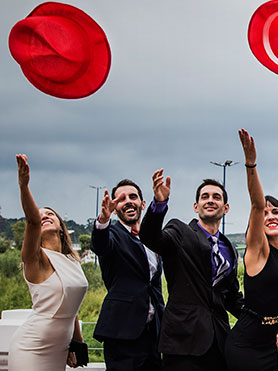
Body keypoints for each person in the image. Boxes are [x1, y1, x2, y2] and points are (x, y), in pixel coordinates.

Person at [139, 169, 243, 371]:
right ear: (196, 206)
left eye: (216, 197)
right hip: (183, 342)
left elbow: (231, 298)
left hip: (219, 343)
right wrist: (159, 204)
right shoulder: (180, 232)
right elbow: (150, 237)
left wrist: (267, 320)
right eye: (205, 197)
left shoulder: (230, 249)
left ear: (226, 207)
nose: (210, 200)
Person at [8, 154, 89, 370]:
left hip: (59, 349)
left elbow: (72, 307)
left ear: (61, 226)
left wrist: (77, 342)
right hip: (31, 349)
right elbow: (33, 220)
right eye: (41, 214)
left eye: (50, 213)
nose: (44, 216)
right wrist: (24, 186)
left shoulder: (71, 260)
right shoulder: (35, 259)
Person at [225, 129, 278, 371]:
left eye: (275, 211)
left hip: (268, 347)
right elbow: (256, 204)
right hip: (244, 346)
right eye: (266, 213)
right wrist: (250, 164)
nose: (270, 215)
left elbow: (274, 298)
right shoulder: (258, 250)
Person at [92, 178, 165, 371]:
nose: (128, 201)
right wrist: (103, 220)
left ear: (142, 203)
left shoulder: (153, 239)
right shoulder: (112, 235)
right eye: (121, 199)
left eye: (133, 197)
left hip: (154, 335)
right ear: (115, 208)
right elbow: (100, 245)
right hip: (123, 334)